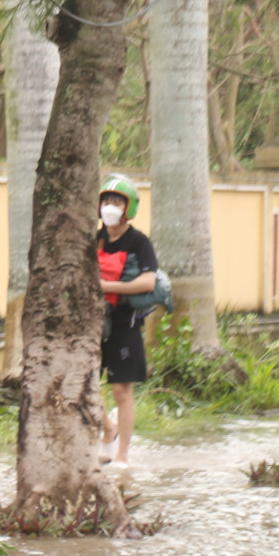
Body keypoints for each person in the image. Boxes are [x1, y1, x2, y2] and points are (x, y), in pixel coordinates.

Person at [96, 173, 157, 470]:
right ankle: (108, 426)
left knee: (121, 391)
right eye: (106, 200)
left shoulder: (139, 242)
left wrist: (108, 288)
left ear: (128, 207)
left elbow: (147, 281)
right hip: (93, 324)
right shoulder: (95, 239)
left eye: (117, 201)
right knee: (85, 386)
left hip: (125, 324)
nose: (110, 206)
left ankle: (122, 454)